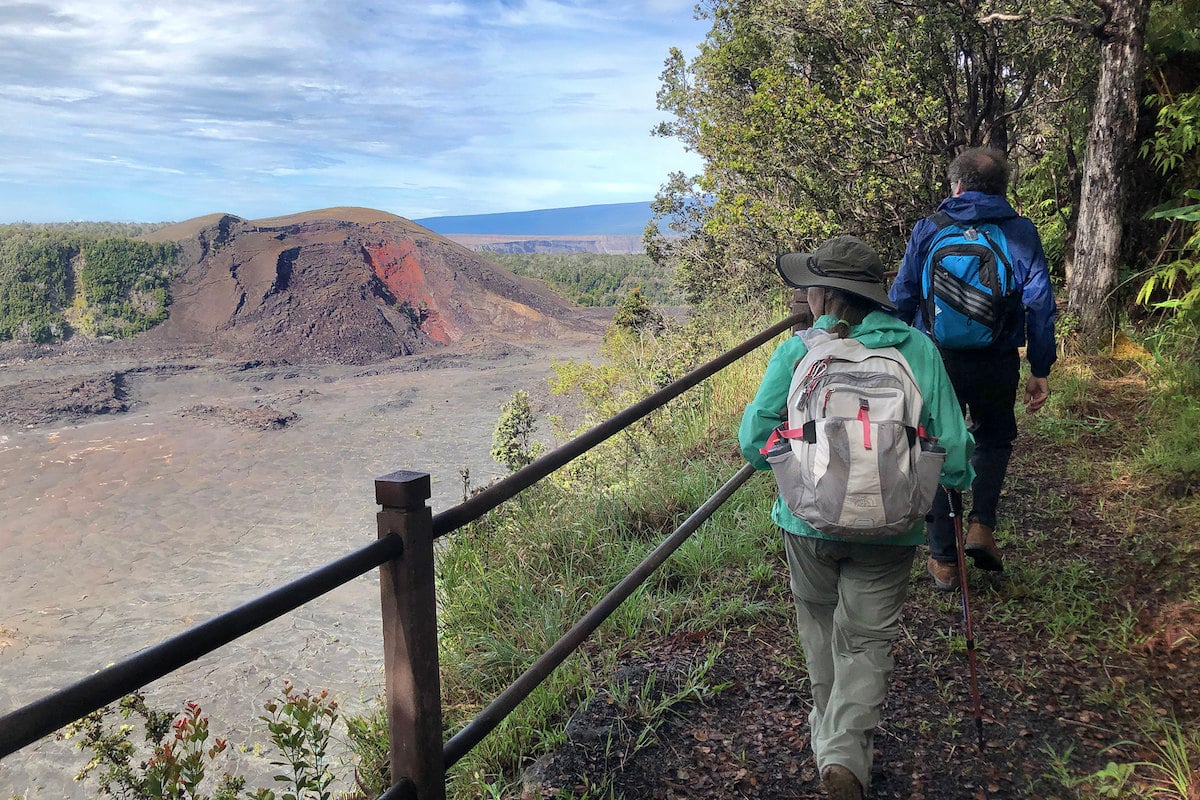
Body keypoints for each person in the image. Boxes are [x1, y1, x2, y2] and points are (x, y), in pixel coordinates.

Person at [739, 235, 974, 800]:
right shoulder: (916, 348)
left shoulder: (797, 352)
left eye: (809, 286)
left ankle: (834, 746)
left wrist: (787, 460)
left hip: (808, 522)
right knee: (867, 640)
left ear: (824, 294)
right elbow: (958, 453)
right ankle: (843, 751)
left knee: (819, 630)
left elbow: (752, 438)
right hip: (893, 526)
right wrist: (951, 485)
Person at [889, 147, 1057, 591]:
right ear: (1002, 189)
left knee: (933, 444)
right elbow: (1040, 303)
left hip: (936, 356)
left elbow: (903, 295)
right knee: (994, 437)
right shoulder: (1019, 231)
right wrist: (1040, 366)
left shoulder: (930, 230)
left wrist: (889, 351)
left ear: (956, 186)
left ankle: (943, 558)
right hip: (997, 357)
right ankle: (982, 525)